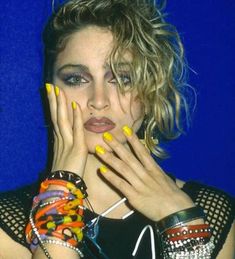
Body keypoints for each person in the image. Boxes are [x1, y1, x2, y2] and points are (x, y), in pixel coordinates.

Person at [0, 0, 234, 258]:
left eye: (123, 78)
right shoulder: (9, 222)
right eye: (76, 78)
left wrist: (183, 226)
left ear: (149, 91)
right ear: (51, 91)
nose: (98, 100)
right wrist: (59, 198)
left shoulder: (210, 211)